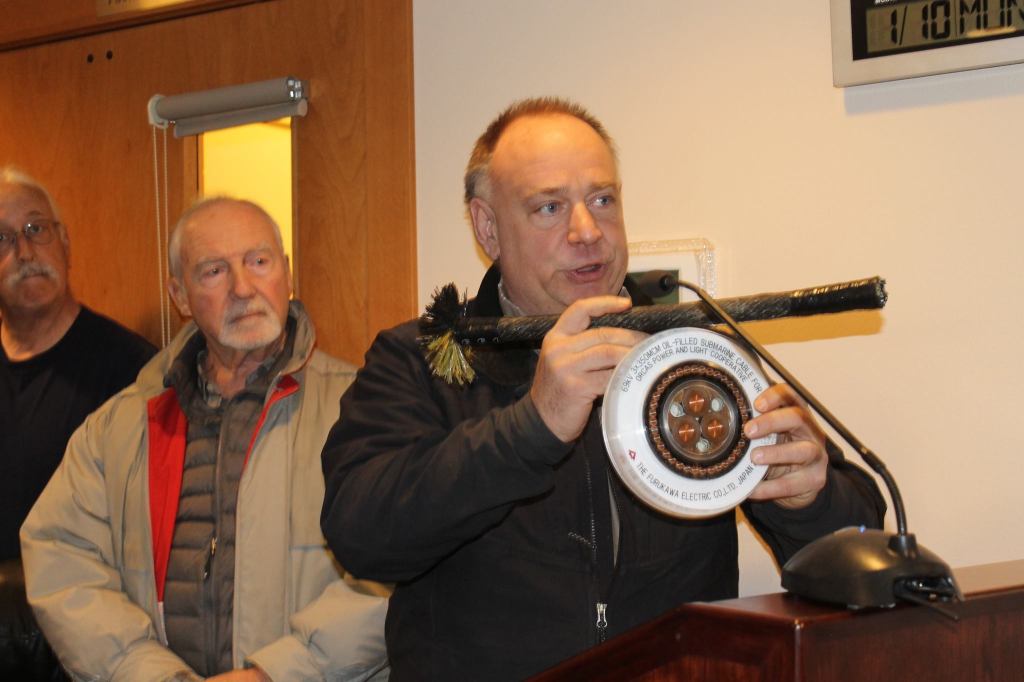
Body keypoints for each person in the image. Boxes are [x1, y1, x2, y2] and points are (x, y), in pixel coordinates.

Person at [320, 98, 886, 680]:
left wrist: (809, 500)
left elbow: (855, 553)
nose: (587, 231)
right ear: (488, 227)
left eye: (602, 200)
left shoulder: (692, 355)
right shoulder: (419, 360)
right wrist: (531, 426)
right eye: (549, 207)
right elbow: (362, 536)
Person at [22, 197, 388, 681]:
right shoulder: (118, 427)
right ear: (179, 295)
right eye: (214, 271)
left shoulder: (363, 410)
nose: (243, 287)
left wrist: (275, 674)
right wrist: (145, 673)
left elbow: (395, 567)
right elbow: (61, 556)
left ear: (287, 273)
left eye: (259, 261)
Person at [0, 167, 156, 680]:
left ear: (65, 242)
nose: (25, 252)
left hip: (83, 652)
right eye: (2, 238)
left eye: (36, 229)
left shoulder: (134, 373)